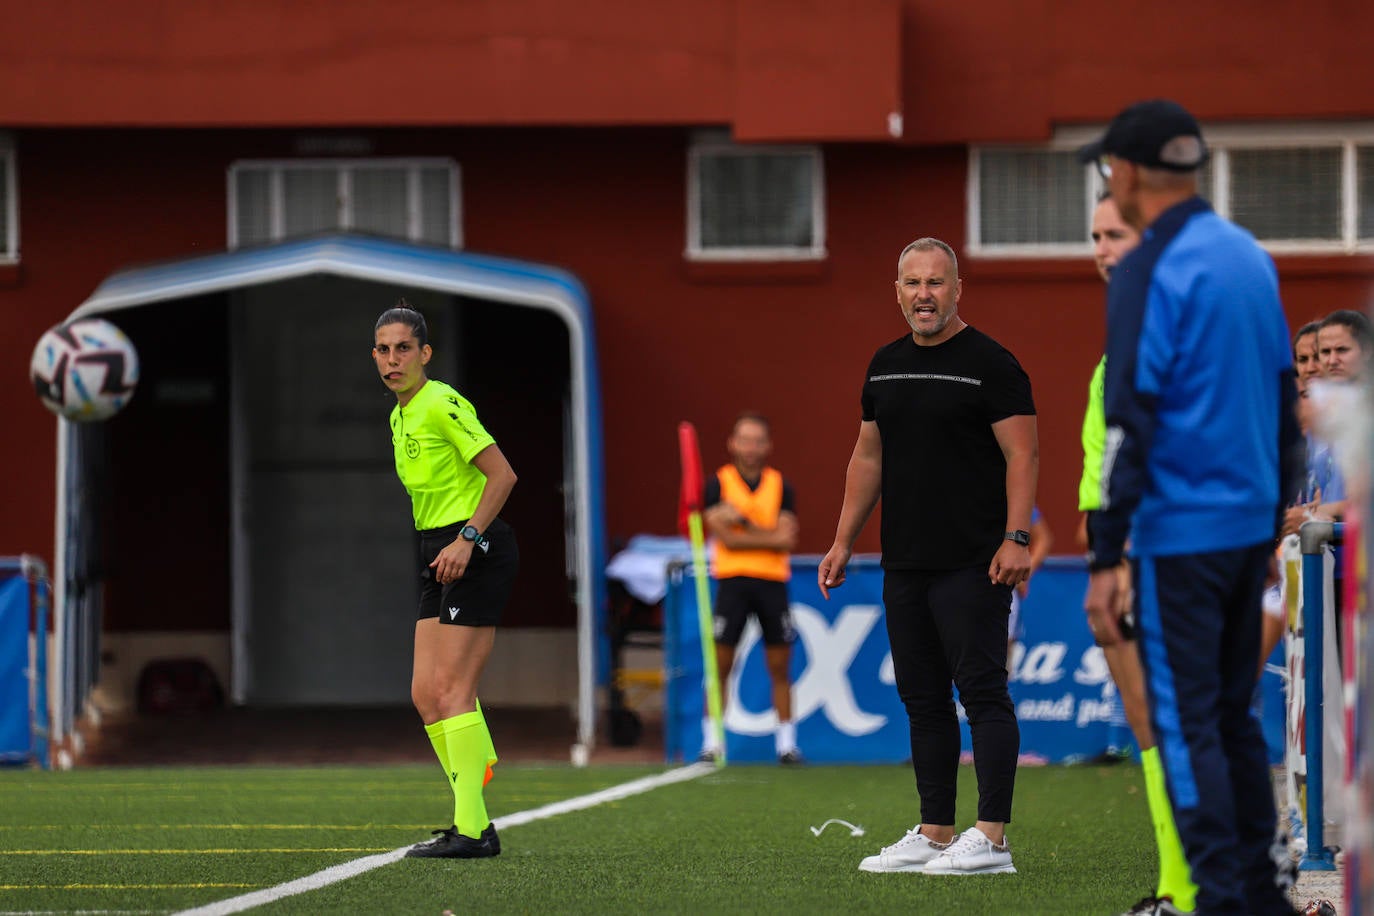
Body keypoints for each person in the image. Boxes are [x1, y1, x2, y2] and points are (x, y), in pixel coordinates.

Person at [1079, 99, 1302, 916]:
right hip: (1249, 527)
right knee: (1232, 719)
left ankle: (1219, 898)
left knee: (1186, 727)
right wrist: (1274, 509)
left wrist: (1107, 554)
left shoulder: (1150, 268)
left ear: (1127, 173)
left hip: (1181, 534)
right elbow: (1284, 397)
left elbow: (1131, 419)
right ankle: (1260, 897)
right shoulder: (1248, 257)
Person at [818, 237, 1037, 876]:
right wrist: (842, 539)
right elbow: (868, 457)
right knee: (922, 699)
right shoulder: (884, 365)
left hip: (976, 561)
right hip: (904, 561)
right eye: (912, 283)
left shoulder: (992, 363)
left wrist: (1017, 537)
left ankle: (992, 839)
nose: (923, 295)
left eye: (935, 283)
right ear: (897, 292)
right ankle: (937, 831)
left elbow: (1024, 455)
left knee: (983, 693)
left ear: (957, 288)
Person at [1077, 192, 1197, 916]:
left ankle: (1192, 890)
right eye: (1093, 236)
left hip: (1169, 551)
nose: (1100, 249)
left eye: (1114, 234)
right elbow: (1100, 469)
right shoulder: (1119, 343)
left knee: (1177, 721)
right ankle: (1177, 888)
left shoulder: (1172, 327)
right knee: (1149, 720)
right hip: (1124, 550)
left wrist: (1117, 560)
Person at [373, 301, 520, 859]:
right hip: (436, 550)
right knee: (424, 695)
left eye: (403, 348)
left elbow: (503, 474)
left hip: (473, 548)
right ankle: (475, 770)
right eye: (384, 350)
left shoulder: (440, 402)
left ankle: (473, 830)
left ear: (425, 354)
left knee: (455, 693)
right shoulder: (399, 414)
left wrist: (469, 540)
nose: (393, 359)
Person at [698, 412, 802, 765]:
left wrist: (742, 523)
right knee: (721, 663)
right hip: (732, 581)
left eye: (758, 440)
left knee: (780, 664)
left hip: (772, 582)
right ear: (732, 443)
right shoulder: (718, 482)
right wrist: (765, 535)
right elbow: (722, 536)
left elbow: (786, 539)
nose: (751, 447)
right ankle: (712, 742)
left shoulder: (780, 485)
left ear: (769, 445)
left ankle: (787, 744)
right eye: (745, 439)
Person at [1006, 506, 1053, 666]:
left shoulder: (1014, 496)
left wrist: (1024, 573)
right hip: (966, 589)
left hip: (1003, 591)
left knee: (999, 666)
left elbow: (1043, 539)